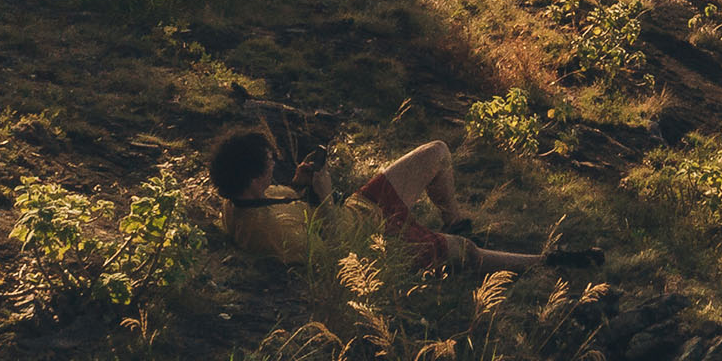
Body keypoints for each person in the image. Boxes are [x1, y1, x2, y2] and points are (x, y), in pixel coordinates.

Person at [204, 123, 579, 275]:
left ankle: (454, 219)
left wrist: (303, 186)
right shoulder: (270, 234)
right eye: (269, 164)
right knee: (466, 253)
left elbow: (297, 210)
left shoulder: (244, 197)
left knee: (437, 152)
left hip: (361, 210)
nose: (275, 168)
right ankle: (546, 262)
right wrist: (324, 197)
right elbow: (336, 257)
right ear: (253, 176)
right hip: (375, 244)